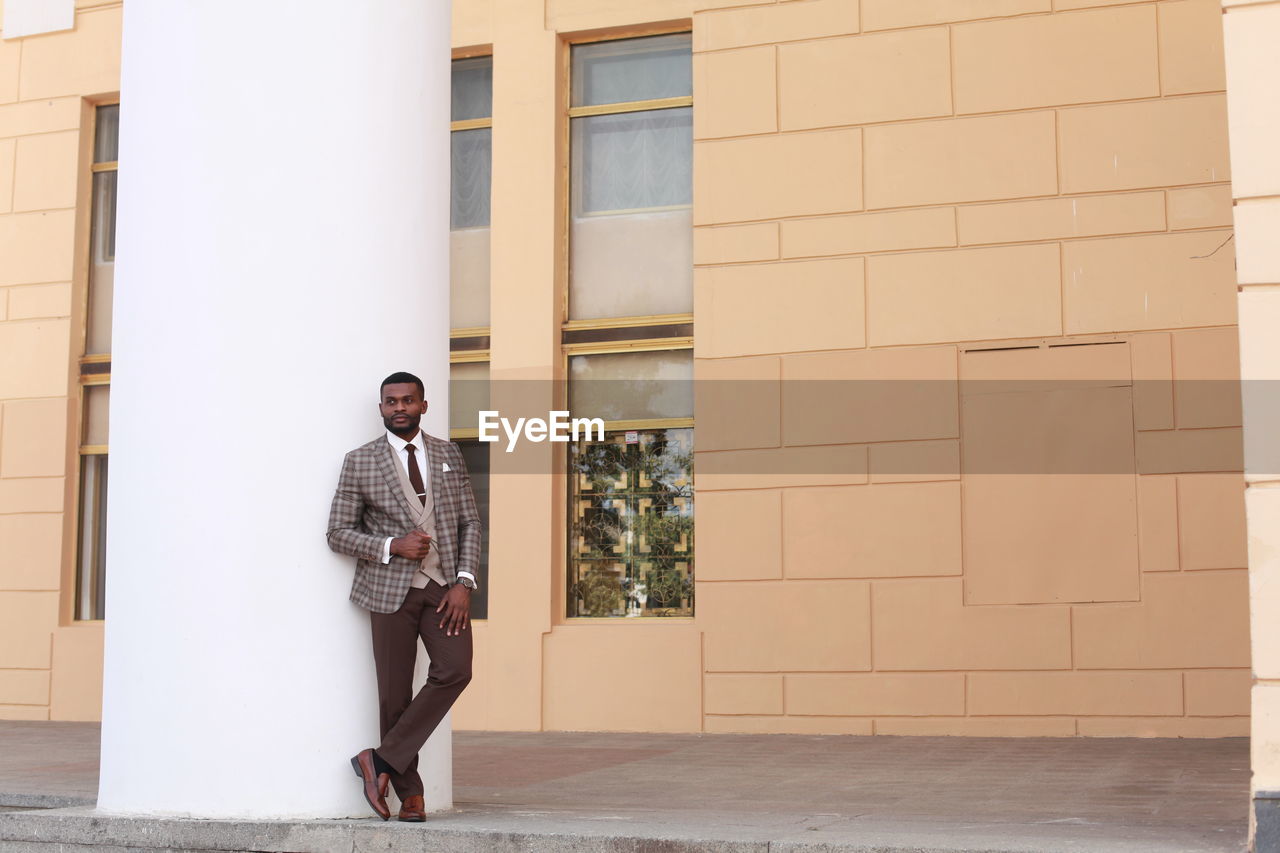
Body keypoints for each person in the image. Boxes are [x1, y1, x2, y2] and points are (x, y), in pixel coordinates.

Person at [326, 371, 481, 821]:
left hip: (445, 588)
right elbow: (337, 533)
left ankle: (380, 759)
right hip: (387, 591)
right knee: (394, 694)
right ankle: (410, 793)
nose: (399, 408)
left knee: (455, 669)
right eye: (391, 401)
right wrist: (392, 546)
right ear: (381, 409)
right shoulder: (360, 461)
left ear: (423, 406)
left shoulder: (449, 454)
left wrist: (464, 581)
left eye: (408, 400)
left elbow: (470, 522)